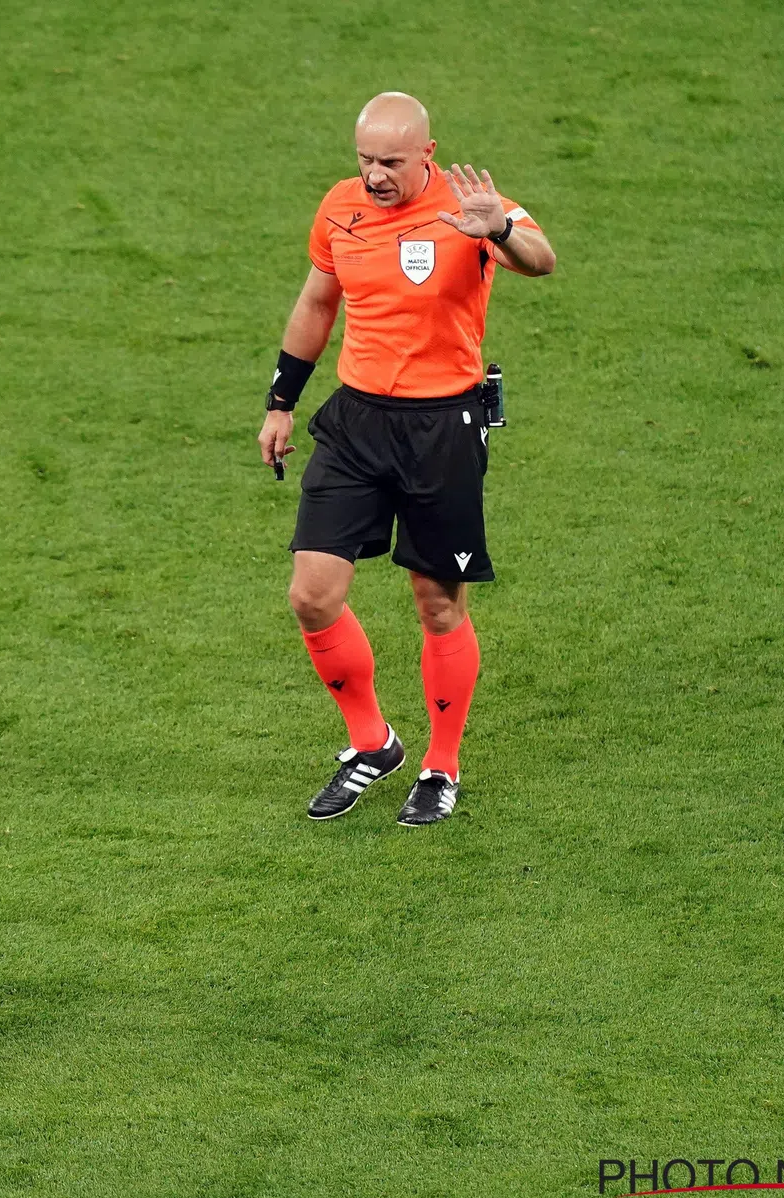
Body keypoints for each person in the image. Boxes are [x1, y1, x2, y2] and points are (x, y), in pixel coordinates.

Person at [257, 92, 556, 826]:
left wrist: (504, 228)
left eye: (389, 161)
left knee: (437, 602)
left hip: (442, 427)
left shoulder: (475, 206)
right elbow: (316, 302)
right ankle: (372, 743)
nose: (374, 174)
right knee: (311, 594)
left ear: (426, 152)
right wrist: (280, 400)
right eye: (363, 159)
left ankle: (440, 765)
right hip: (357, 420)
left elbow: (541, 263)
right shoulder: (339, 207)